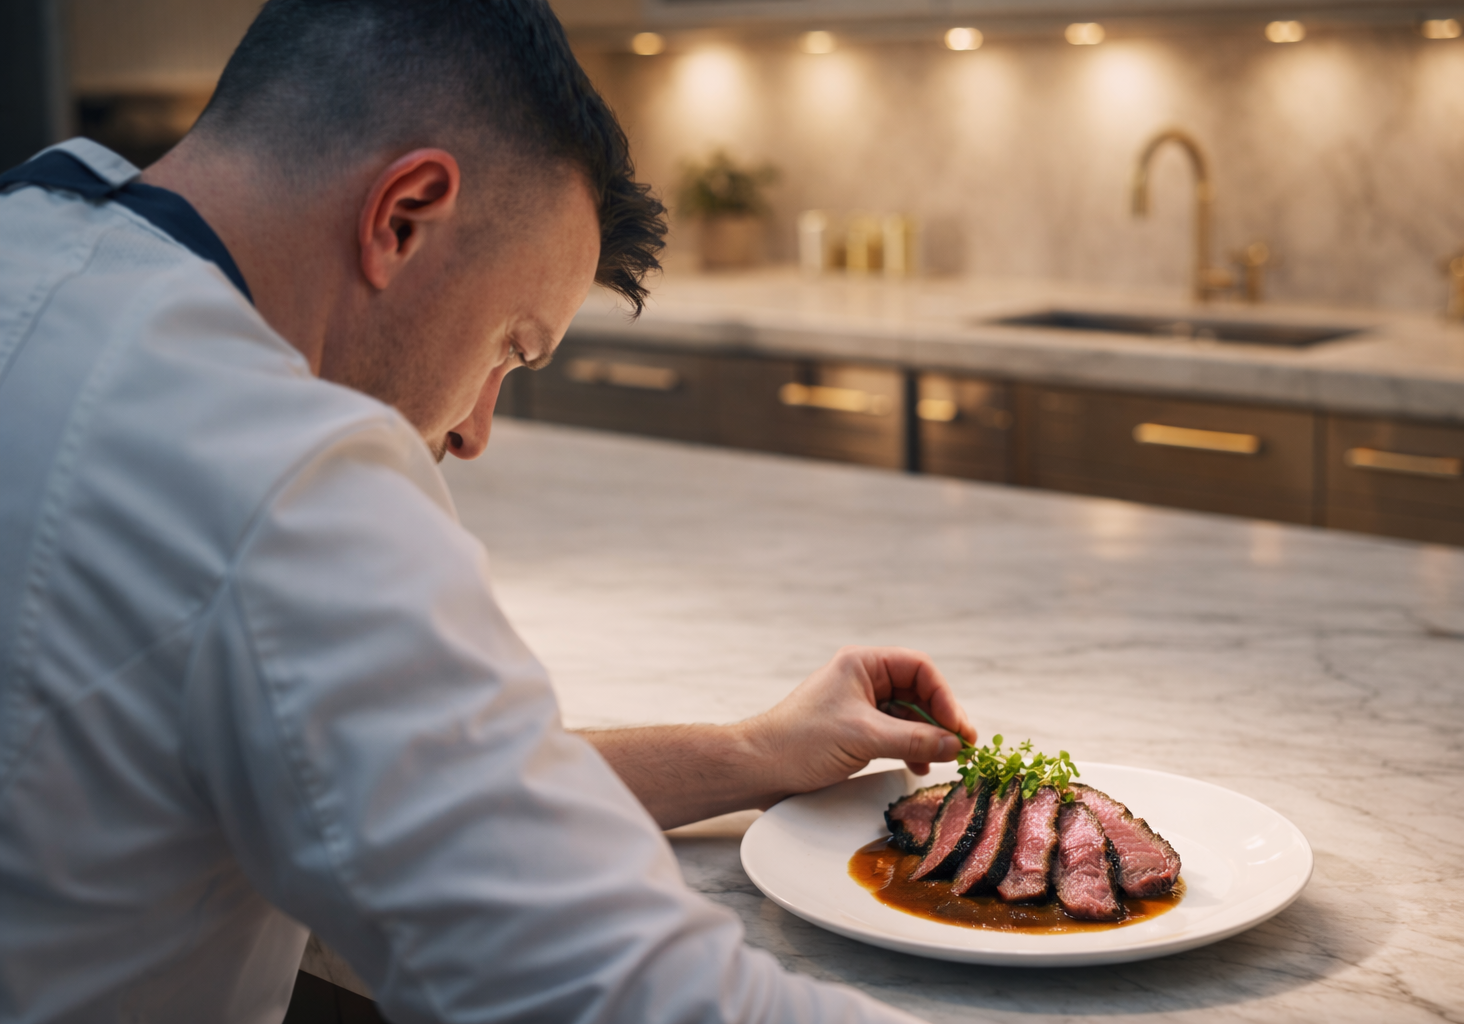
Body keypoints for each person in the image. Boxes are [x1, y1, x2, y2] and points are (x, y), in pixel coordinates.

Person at [0, 2, 977, 1021]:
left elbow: (402, 778)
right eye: (511, 347)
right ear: (405, 213)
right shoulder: (283, 474)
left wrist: (747, 753)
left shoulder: (35, 240)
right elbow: (615, 988)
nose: (475, 432)